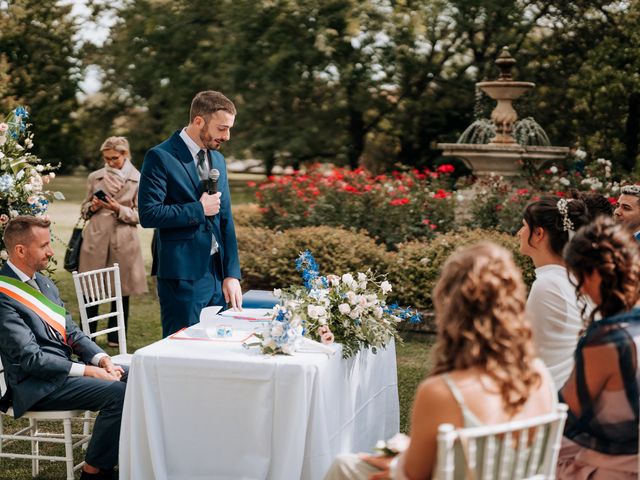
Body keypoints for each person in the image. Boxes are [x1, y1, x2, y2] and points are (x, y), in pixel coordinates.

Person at [324, 242, 556, 479]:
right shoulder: (540, 376)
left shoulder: (442, 392)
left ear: (450, 308)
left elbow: (412, 475)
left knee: (344, 466)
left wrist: (398, 461)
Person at [0, 216, 127, 480]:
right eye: (44, 245)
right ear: (20, 250)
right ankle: (95, 472)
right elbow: (31, 359)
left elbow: (71, 332)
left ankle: (126, 456)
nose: (51, 251)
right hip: (34, 384)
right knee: (118, 393)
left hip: (61, 373)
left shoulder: (44, 283)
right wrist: (89, 372)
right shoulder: (3, 296)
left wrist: (101, 359)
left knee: (137, 376)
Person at [138, 90, 242, 337]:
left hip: (217, 274)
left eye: (229, 129)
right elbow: (149, 214)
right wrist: (198, 209)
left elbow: (225, 219)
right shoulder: (160, 157)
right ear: (198, 121)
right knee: (182, 350)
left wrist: (231, 273)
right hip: (182, 275)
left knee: (218, 348)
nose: (226, 136)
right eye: (221, 129)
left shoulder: (218, 160)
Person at [557, 216, 640, 479]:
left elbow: (566, 413)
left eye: (578, 278)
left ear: (593, 273)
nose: (580, 290)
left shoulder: (608, 341)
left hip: (613, 468)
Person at [78, 136, 147, 347]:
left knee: (121, 288)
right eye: (106, 158)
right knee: (90, 286)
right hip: (96, 236)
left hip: (123, 238)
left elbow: (142, 215)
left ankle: (116, 337)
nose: (109, 162)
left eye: (114, 158)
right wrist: (93, 206)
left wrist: (118, 209)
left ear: (125, 155)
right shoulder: (95, 177)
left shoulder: (138, 178)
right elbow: (84, 209)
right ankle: (85, 335)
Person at [518, 195, 591, 388]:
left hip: (554, 393)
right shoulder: (573, 277)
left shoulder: (548, 285)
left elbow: (526, 352)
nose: (519, 232)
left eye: (524, 226)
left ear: (539, 234)